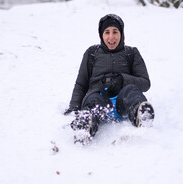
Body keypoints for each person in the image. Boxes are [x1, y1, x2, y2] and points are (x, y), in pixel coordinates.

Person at [64, 14, 154, 144]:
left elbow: (145, 83)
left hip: (122, 102)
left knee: (132, 91)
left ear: (121, 34)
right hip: (98, 96)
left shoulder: (131, 53)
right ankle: (84, 126)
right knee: (93, 102)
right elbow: (81, 83)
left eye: (115, 32)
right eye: (107, 32)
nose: (111, 37)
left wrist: (123, 80)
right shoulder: (92, 53)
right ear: (101, 35)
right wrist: (74, 107)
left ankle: (142, 115)